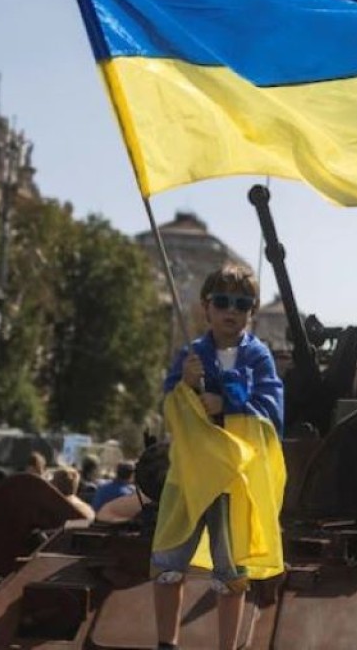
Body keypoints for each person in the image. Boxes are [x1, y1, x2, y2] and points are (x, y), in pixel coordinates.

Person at [153, 264, 285, 650]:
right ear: (205, 307)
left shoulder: (258, 358)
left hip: (233, 480)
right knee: (167, 564)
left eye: (242, 304)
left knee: (231, 574)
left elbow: (271, 411)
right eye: (223, 302)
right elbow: (171, 408)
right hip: (191, 476)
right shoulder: (191, 355)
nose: (232, 311)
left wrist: (227, 403)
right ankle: (167, 643)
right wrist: (186, 387)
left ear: (252, 312)